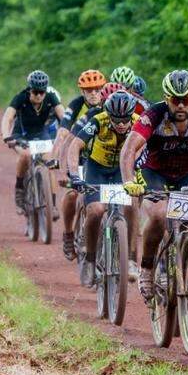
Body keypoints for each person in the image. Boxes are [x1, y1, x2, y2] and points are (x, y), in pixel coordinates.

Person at [119, 69, 188, 300]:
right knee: (159, 215)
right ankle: (147, 268)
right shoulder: (154, 115)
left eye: (186, 100)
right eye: (175, 100)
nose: (180, 105)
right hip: (155, 173)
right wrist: (129, 180)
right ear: (166, 97)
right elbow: (129, 149)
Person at [67, 90, 140, 287]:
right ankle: (90, 259)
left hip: (122, 170)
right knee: (96, 210)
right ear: (109, 114)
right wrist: (74, 174)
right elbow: (75, 146)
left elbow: (150, 150)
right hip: (97, 169)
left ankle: (131, 259)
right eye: (116, 119)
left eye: (125, 118)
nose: (122, 123)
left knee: (133, 203)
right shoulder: (99, 121)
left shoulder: (139, 122)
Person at [53, 70, 106, 260]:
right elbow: (64, 135)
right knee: (72, 193)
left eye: (97, 89)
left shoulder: (111, 106)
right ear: (82, 92)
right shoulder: (76, 105)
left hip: (101, 159)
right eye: (88, 90)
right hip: (79, 156)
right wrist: (60, 164)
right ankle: (68, 234)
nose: (93, 93)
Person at [0, 70, 65, 213]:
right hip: (21, 134)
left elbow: (64, 117)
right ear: (30, 89)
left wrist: (69, 134)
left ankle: (52, 204)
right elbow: (8, 117)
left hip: (41, 134)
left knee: (50, 162)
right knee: (26, 155)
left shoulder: (51, 97)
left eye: (42, 92)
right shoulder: (20, 98)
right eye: (35, 92)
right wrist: (6, 135)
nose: (39, 95)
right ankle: (20, 192)